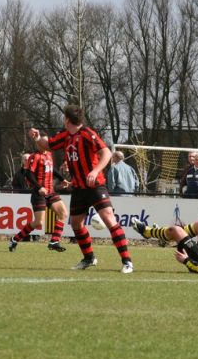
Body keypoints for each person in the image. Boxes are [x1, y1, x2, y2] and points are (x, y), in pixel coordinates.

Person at [29, 104, 134, 274]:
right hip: (78, 188)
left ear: (67, 119)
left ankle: (127, 261)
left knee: (108, 218)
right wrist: (37, 137)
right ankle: (89, 258)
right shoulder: (66, 136)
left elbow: (106, 153)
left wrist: (95, 171)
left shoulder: (87, 133)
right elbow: (48, 145)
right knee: (76, 223)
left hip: (95, 185)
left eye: (64, 117)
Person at [9, 149, 69, 253]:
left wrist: (62, 179)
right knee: (38, 222)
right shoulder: (35, 156)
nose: (48, 144)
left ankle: (54, 241)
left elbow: (51, 169)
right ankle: (15, 239)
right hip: (39, 193)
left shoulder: (49, 154)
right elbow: (28, 174)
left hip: (50, 192)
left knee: (63, 213)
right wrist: (39, 187)